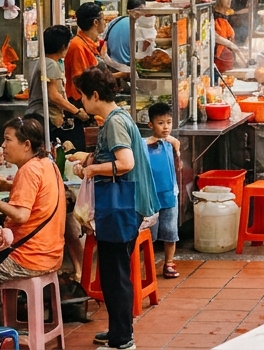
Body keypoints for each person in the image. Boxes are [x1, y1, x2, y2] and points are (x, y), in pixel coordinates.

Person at [77, 67, 155, 350]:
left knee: (115, 274)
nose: (81, 103)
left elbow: (125, 163)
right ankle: (117, 331)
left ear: (95, 95)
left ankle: (122, 340)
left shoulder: (113, 122)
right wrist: (90, 161)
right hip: (125, 205)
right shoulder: (117, 117)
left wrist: (92, 170)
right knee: (114, 272)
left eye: (83, 97)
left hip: (122, 205)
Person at [0, 116, 64, 296]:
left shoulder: (29, 170)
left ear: (26, 144)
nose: (3, 145)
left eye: (8, 139)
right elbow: (39, 193)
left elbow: (21, 215)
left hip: (28, 257)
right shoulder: (47, 163)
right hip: (50, 253)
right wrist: (8, 186)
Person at [27, 26, 89, 148]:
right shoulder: (51, 64)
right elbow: (53, 95)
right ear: (63, 47)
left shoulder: (42, 61)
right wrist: (76, 112)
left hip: (37, 115)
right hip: (44, 116)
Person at [145, 103, 181, 279]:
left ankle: (169, 263)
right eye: (160, 123)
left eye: (169, 122)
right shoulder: (144, 146)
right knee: (149, 234)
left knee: (170, 232)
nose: (166, 127)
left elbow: (177, 144)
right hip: (151, 198)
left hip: (169, 195)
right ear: (150, 125)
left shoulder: (170, 143)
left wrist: (172, 140)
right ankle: (149, 265)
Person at [66, 2, 117, 105]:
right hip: (81, 103)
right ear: (95, 22)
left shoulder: (92, 43)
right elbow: (80, 80)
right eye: (103, 19)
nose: (105, 22)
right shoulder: (77, 45)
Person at [104, 0, 145, 67]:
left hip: (111, 65)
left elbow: (103, 39)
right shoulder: (137, 25)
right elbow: (142, 50)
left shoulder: (114, 21)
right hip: (130, 67)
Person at [211, 0, 243, 73]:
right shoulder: (215, 17)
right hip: (219, 58)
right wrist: (231, 45)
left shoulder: (224, 17)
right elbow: (215, 36)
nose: (230, 0)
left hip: (226, 57)